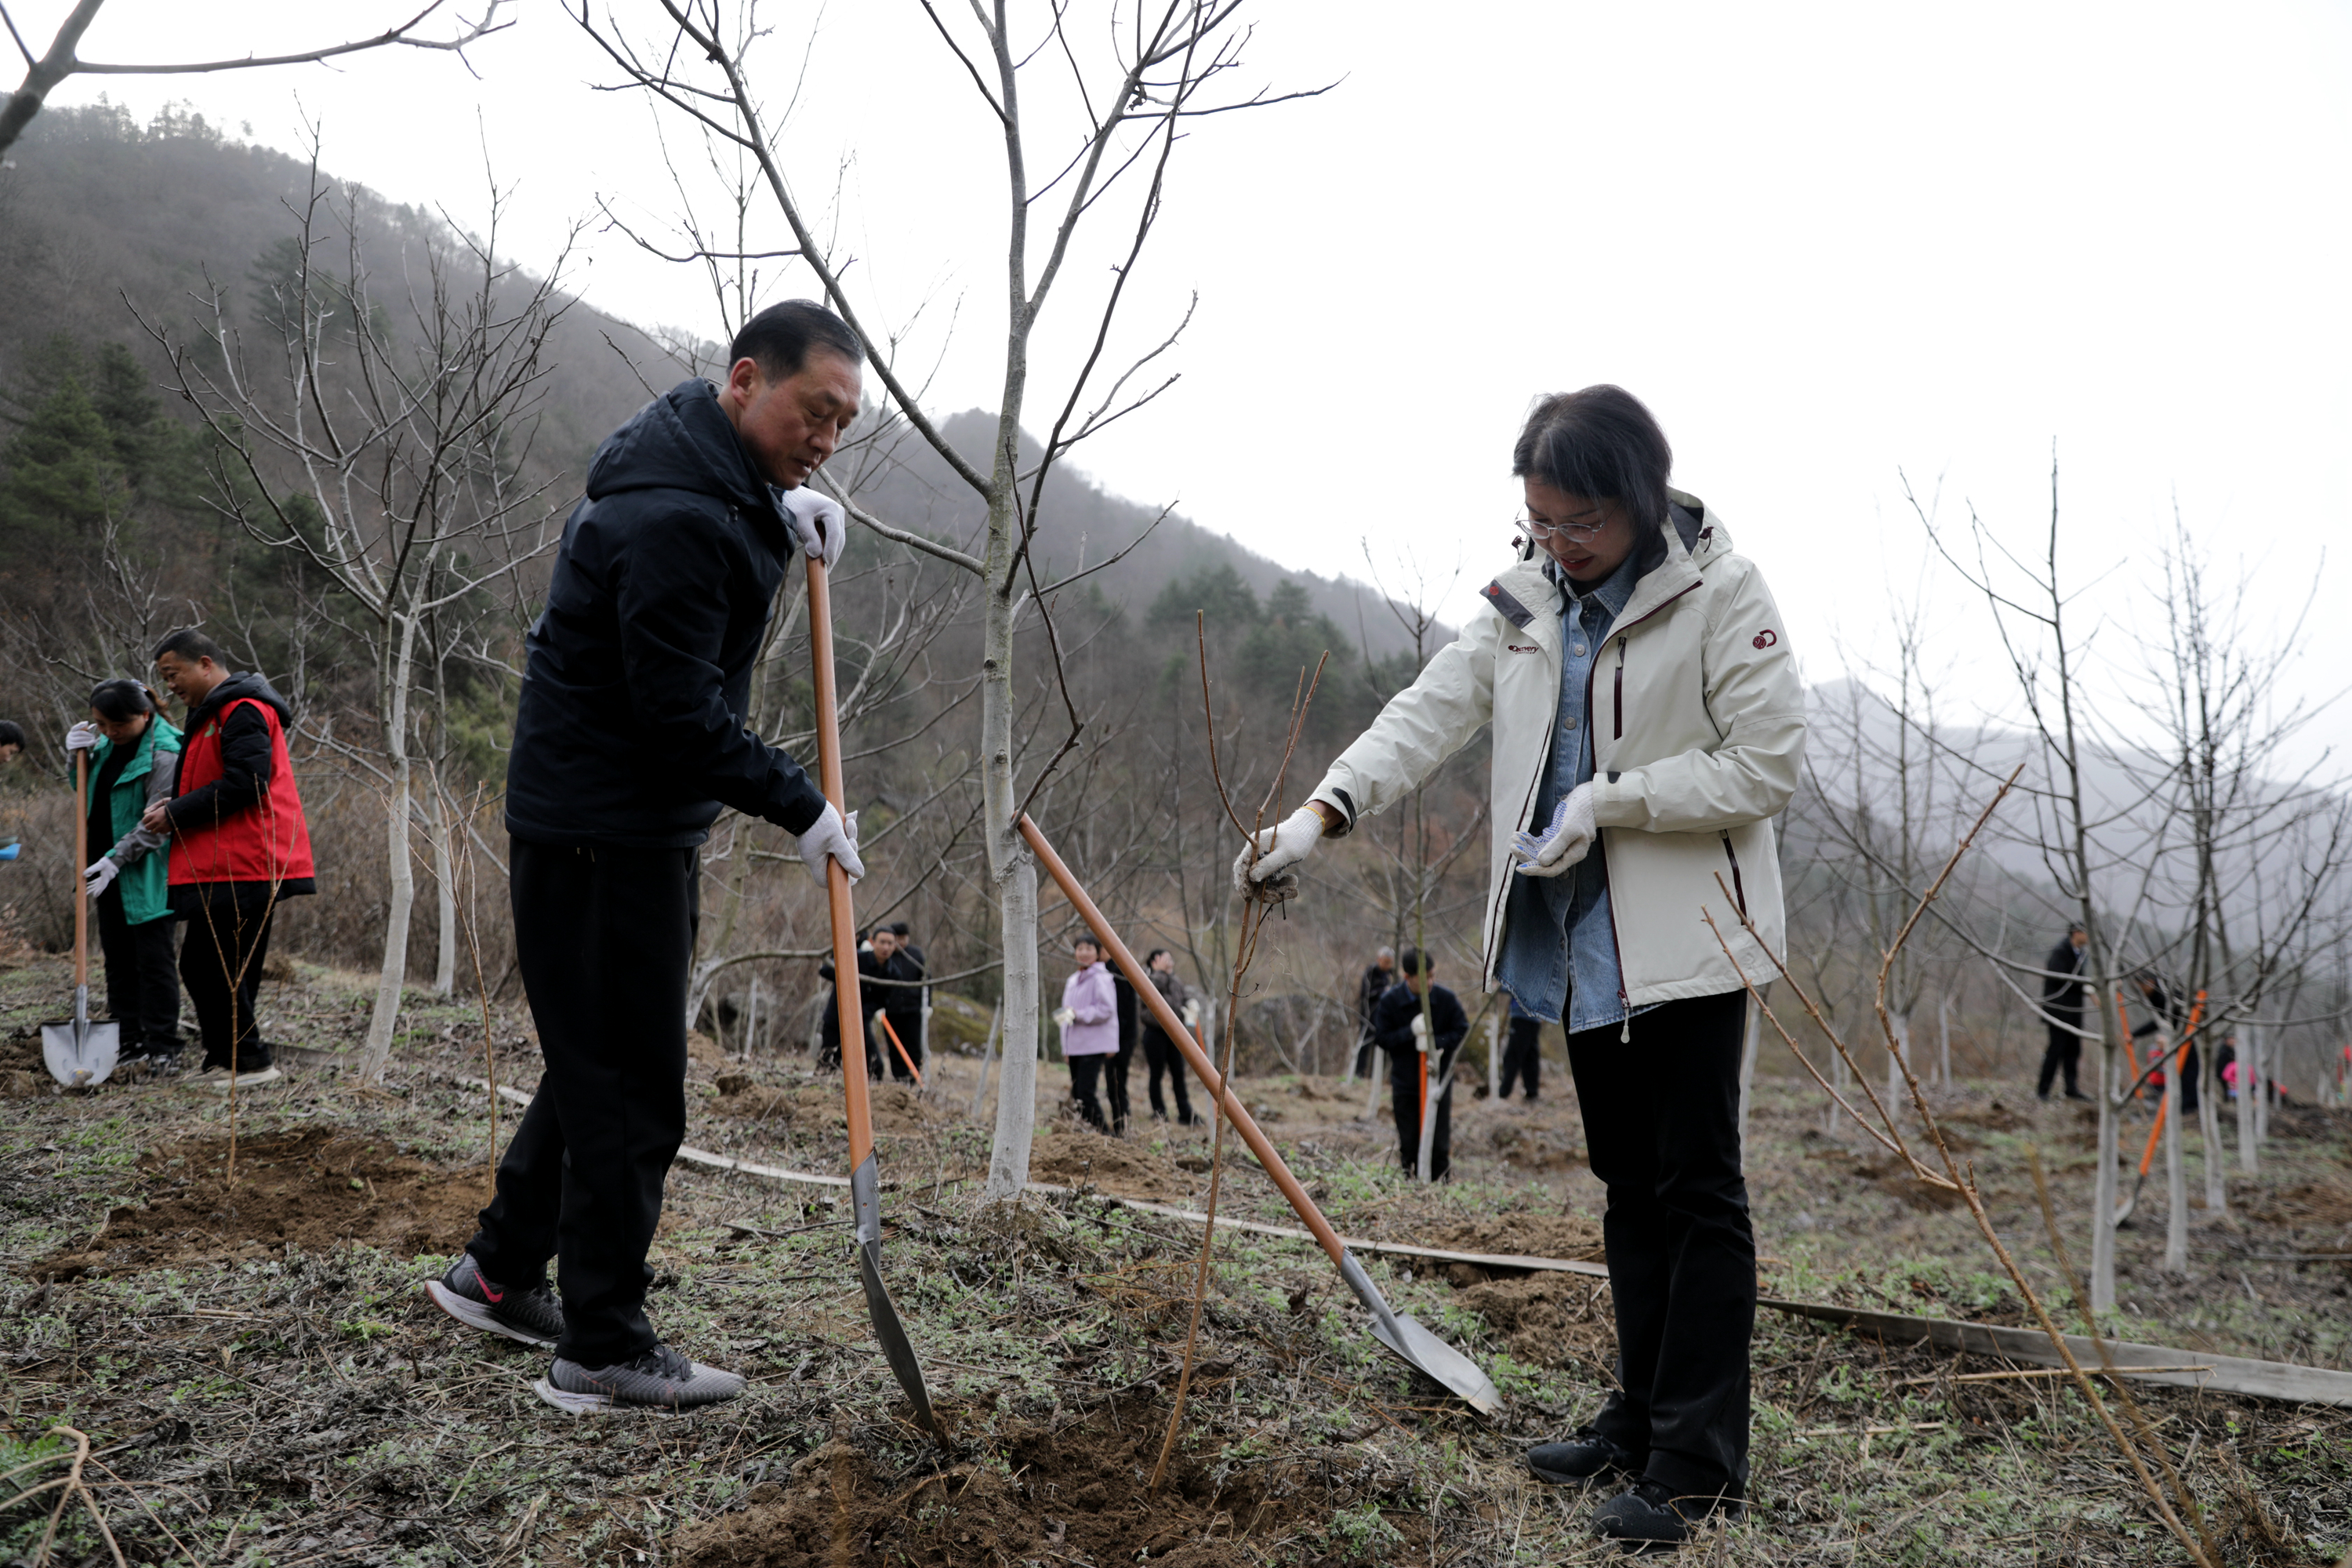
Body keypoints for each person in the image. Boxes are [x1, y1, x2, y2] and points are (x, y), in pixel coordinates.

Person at [1232, 387, 1801, 1548]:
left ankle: (1696, 1465)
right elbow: (1426, 713)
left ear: (1639, 499)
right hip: (1577, 938)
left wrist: (1612, 800)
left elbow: (1766, 763)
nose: (1559, 541)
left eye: (1581, 521)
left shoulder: (1721, 591)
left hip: (1689, 940)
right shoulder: (1527, 603)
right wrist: (1321, 814)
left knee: (1698, 1193)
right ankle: (1639, 1421)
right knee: (1629, 1187)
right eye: (1541, 520)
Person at [427, 299, 867, 1414]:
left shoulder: (698, 477)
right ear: (744, 381)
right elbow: (677, 714)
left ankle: (498, 1271)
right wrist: (801, 804)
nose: (825, 440)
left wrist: (775, 508)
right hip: (605, 832)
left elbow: (718, 538)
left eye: (842, 426)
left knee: (598, 1064)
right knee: (630, 1088)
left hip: (610, 821)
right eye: (813, 414)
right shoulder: (676, 514)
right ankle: (603, 1345)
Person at [145, 629, 315, 1089]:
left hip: (249, 861)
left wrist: (176, 813)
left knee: (209, 966)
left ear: (205, 664)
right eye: (164, 677)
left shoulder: (241, 710)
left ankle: (251, 1063)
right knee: (223, 968)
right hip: (232, 861)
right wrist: (176, 806)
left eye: (173, 674)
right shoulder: (216, 712)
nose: (170, 686)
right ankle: (229, 1061)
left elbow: (246, 783)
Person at [66, 681, 183, 1071]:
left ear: (145, 715)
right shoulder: (103, 746)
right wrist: (76, 758)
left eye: (119, 724)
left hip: (147, 870)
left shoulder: (164, 753)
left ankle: (163, 1045)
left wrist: (116, 859)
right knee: (117, 959)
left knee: (153, 960)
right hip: (104, 870)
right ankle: (128, 1039)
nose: (110, 732)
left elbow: (159, 823)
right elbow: (86, 793)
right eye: (102, 724)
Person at [1370, 948, 1468, 1178]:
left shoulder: (1445, 999)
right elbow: (1382, 1038)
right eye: (1425, 979)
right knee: (1410, 1143)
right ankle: (1411, 1187)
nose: (1430, 982)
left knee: (1439, 1144)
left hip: (1437, 1082)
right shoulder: (1391, 1002)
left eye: (1433, 976)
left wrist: (1435, 1043)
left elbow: (1461, 1029)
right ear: (1408, 977)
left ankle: (1441, 1189)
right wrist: (1410, 1033)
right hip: (1405, 1083)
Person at [1058, 936, 1119, 1131]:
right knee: (1078, 1093)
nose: (1084, 953)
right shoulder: (1072, 980)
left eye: (1089, 949)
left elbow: (1106, 1009)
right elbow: (1066, 1015)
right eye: (1080, 949)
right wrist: (1066, 1049)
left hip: (1093, 1046)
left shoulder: (1102, 977)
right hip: (1075, 1046)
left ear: (1098, 953)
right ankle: (1090, 1133)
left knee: (1086, 1093)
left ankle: (1104, 1134)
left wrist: (1079, 1014)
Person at [1139, 948, 1199, 1124]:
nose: (1169, 963)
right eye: (1165, 960)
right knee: (1156, 1074)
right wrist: (1159, 973)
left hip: (1175, 1034)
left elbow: (1183, 997)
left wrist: (1191, 1003)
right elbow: (1151, 993)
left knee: (1178, 1073)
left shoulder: (1175, 980)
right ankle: (1159, 1113)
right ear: (1154, 962)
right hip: (1155, 1033)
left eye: (1170, 960)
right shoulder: (1148, 979)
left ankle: (1185, 1113)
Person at [2036, 924, 2090, 1102]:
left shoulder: (2081, 954)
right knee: (2056, 1050)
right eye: (2086, 933)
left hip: (2075, 1011)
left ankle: (2071, 1089)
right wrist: (2085, 985)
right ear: (2076, 933)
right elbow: (2058, 979)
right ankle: (2043, 1090)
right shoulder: (2061, 951)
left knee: (2073, 1050)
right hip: (2059, 1011)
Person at [2131, 973, 2197, 1112]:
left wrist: (2135, 1034)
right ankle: (2184, 1104)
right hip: (2177, 1036)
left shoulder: (2164, 996)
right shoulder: (2156, 995)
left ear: (2150, 982)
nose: (2140, 991)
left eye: (2141, 987)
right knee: (2180, 1071)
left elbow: (2159, 1021)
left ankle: (2190, 1105)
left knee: (2187, 1072)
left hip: (2187, 1035)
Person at [867, 925, 925, 1082]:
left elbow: (926, 978)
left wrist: (927, 1004)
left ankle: (914, 1076)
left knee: (913, 1044)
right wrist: (879, 1006)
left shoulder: (916, 955)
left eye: (903, 939)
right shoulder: (886, 957)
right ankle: (899, 1077)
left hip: (913, 1009)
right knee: (894, 1046)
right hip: (891, 1010)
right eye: (897, 939)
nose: (900, 942)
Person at [1353, 946, 1396, 1077]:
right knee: (1364, 1044)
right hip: (1369, 1014)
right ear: (1379, 959)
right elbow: (1365, 994)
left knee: (1385, 1044)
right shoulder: (1370, 972)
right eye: (1385, 962)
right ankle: (1359, 1073)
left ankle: (1380, 1076)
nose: (1387, 965)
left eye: (1390, 962)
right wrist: (1382, 992)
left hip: (1386, 1015)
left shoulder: (1392, 974)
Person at [1105, 965, 1138, 1134]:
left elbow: (1122, 1010)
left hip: (1121, 1040)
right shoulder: (1105, 969)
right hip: (1114, 1039)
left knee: (1117, 1084)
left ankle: (1122, 1128)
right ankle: (1120, 1126)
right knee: (1114, 1085)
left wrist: (1114, 1041)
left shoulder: (1118, 970)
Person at [1499, 993, 1542, 1102]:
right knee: (1530, 1056)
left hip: (1521, 1016)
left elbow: (1514, 986)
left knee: (1513, 1055)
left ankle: (1503, 1093)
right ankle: (1531, 1093)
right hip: (1535, 1017)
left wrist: (1499, 986)